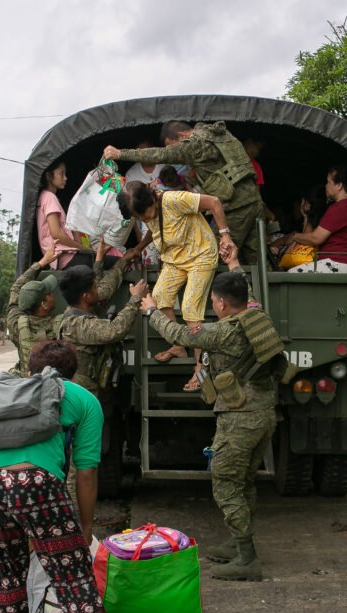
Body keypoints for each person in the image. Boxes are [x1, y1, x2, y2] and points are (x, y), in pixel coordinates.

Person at [0, 340, 142, 613]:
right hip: (36, 484)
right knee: (72, 578)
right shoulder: (81, 398)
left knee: (4, 574)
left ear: (30, 366)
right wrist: (83, 527)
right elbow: (86, 472)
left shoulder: (7, 389)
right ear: (72, 372)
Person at [141, 242, 277, 581]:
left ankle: (247, 559)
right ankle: (237, 542)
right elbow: (245, 290)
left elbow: (179, 334)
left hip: (240, 418)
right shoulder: (256, 315)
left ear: (219, 303)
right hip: (263, 414)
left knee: (225, 483)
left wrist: (151, 310)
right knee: (244, 481)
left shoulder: (223, 332)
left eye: (214, 301)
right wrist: (235, 265)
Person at [116, 180, 227, 390]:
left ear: (152, 200)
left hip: (200, 254)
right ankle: (178, 345)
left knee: (190, 309)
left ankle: (200, 367)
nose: (146, 219)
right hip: (175, 258)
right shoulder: (148, 212)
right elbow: (157, 229)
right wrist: (140, 247)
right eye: (140, 218)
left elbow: (214, 202)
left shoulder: (175, 199)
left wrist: (225, 236)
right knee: (157, 298)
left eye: (146, 215)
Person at [104, 120, 265, 265]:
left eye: (172, 145)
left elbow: (162, 154)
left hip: (236, 209)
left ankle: (227, 298)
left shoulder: (194, 145)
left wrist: (121, 154)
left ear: (181, 136)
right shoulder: (217, 133)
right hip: (255, 201)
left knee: (212, 259)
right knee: (259, 262)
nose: (174, 151)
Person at [57, 244, 148, 397]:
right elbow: (114, 330)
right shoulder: (74, 324)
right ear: (86, 296)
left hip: (92, 388)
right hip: (83, 394)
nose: (97, 289)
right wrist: (136, 298)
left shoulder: (83, 307)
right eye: (94, 288)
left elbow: (106, 287)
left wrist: (123, 261)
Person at [278, 165, 347, 273]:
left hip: (340, 264)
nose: (326, 186)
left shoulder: (342, 207)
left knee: (293, 274)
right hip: (338, 263)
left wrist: (295, 237)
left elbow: (316, 238)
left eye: (328, 182)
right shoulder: (346, 205)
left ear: (339, 186)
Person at [6, 243, 61, 377]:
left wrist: (41, 262)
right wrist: (43, 262)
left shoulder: (15, 324)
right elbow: (17, 288)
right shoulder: (61, 326)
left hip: (27, 384)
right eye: (48, 294)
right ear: (44, 304)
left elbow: (16, 288)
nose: (52, 295)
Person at [37, 162, 93, 269]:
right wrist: (82, 248)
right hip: (65, 258)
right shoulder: (49, 197)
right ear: (49, 176)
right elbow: (56, 234)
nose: (65, 178)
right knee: (110, 261)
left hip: (61, 259)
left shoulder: (44, 196)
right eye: (61, 174)